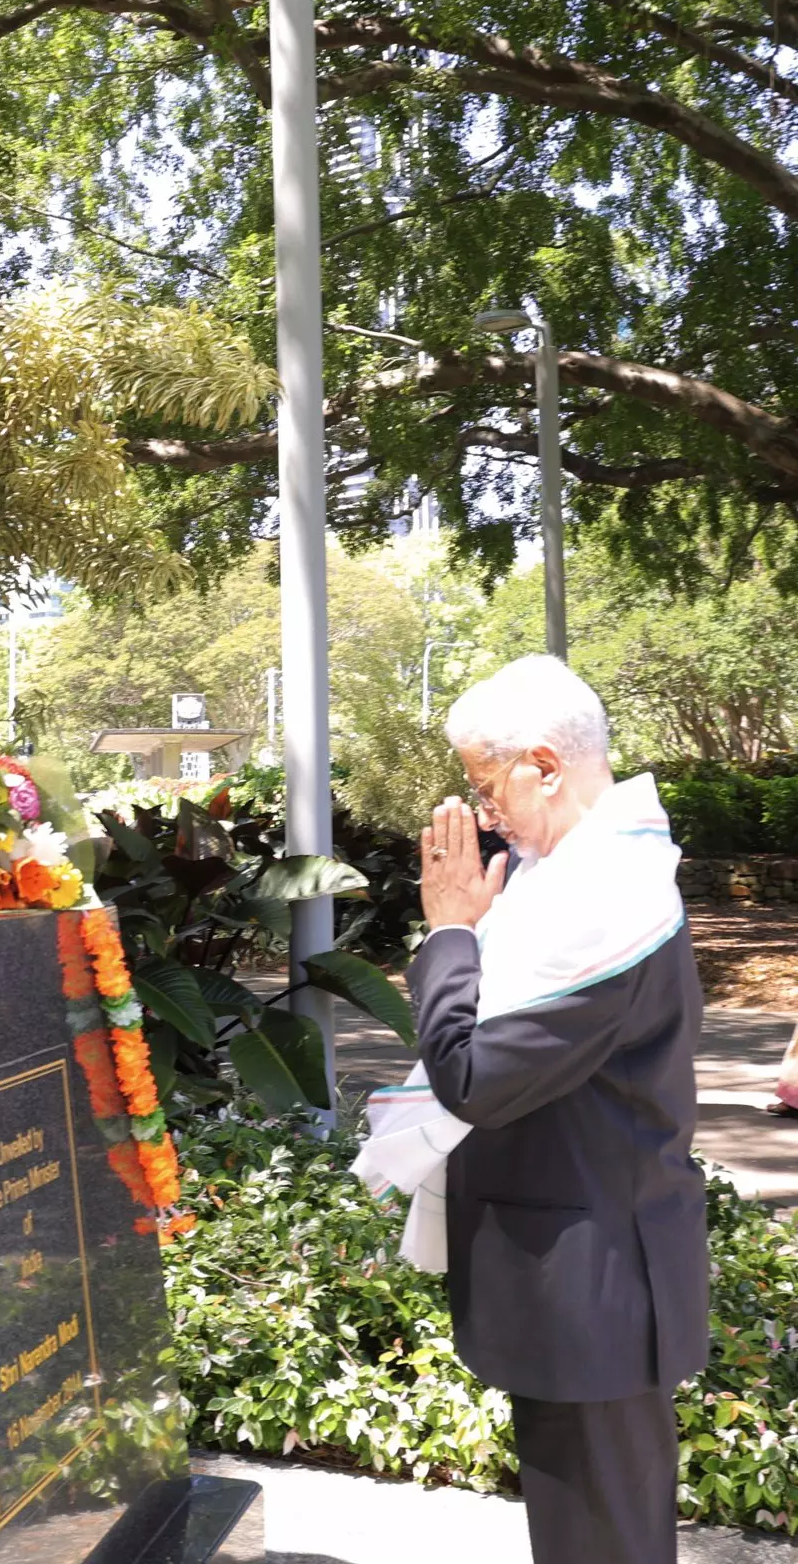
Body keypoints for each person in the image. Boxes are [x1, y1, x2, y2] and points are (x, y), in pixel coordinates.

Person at [354, 654, 706, 1564]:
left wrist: (451, 930)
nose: (481, 811)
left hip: (594, 1280)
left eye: (485, 781)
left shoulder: (604, 897)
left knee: (604, 1539)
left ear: (542, 766)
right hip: (578, 1273)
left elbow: (475, 1076)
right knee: (584, 1530)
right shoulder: (575, 875)